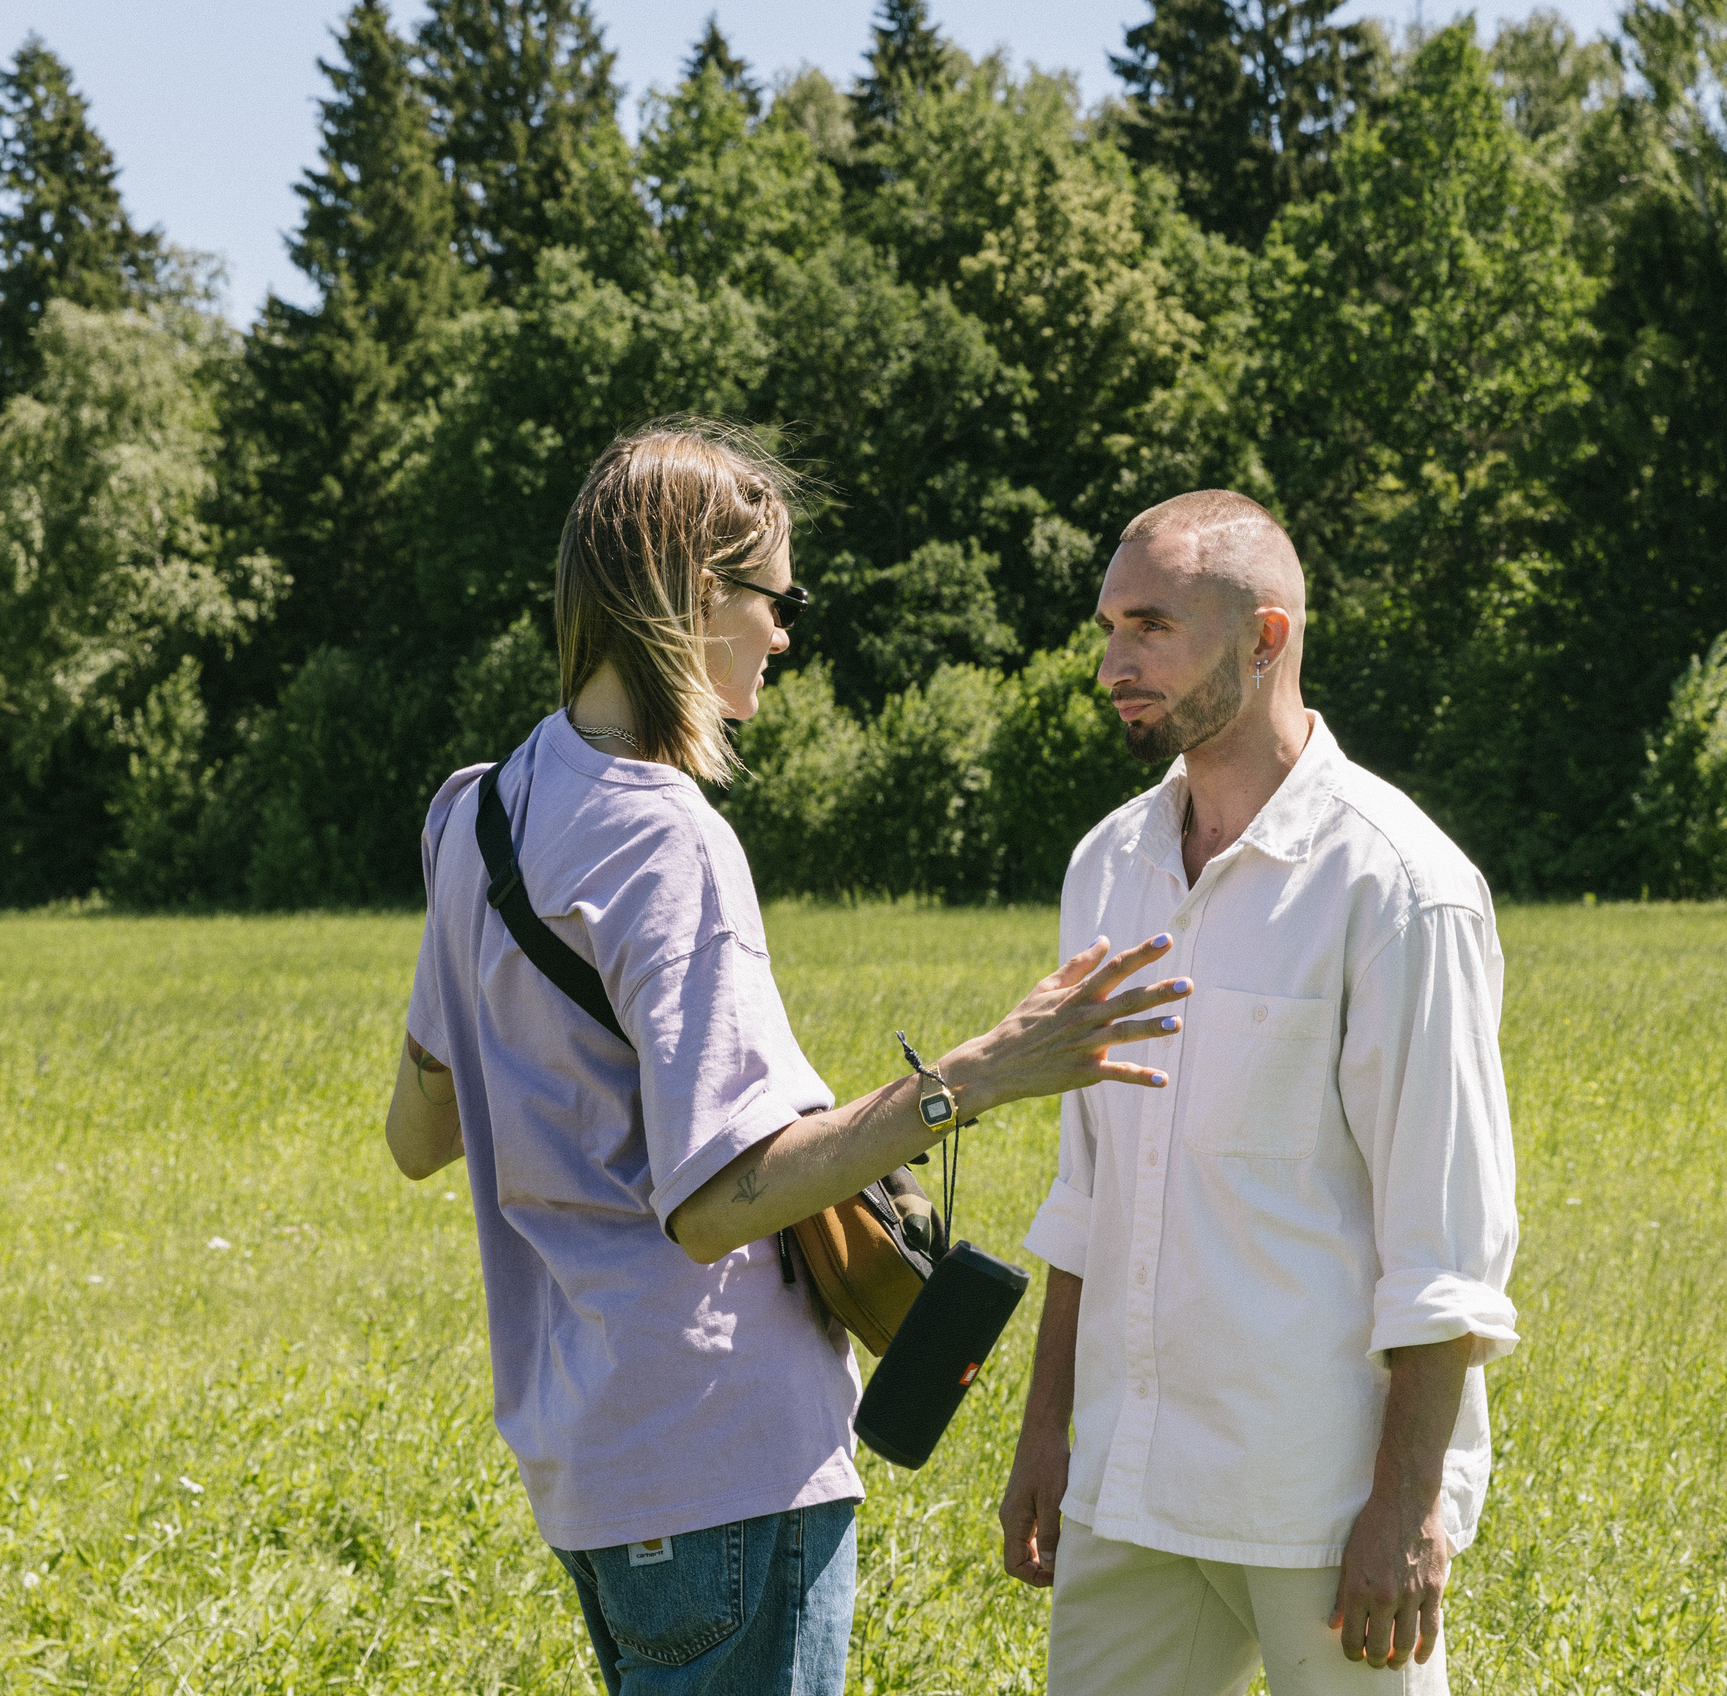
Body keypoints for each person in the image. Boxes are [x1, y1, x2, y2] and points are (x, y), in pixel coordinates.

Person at [382, 418, 1189, 1696]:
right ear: (700, 594)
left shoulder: (475, 807)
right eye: (776, 596)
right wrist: (976, 1074)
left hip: (587, 1462)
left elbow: (420, 1136)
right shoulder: (670, 843)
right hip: (721, 1455)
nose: (785, 631)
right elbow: (714, 1205)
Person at [997, 490, 1521, 1696]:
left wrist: (1404, 1507)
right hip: (1129, 1485)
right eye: (1108, 627)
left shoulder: (1398, 888)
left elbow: (1445, 1242)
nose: (1111, 664)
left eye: (1151, 629)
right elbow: (1091, 1185)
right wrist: (1047, 1430)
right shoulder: (1107, 867)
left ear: (1267, 638)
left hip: (1320, 1500)